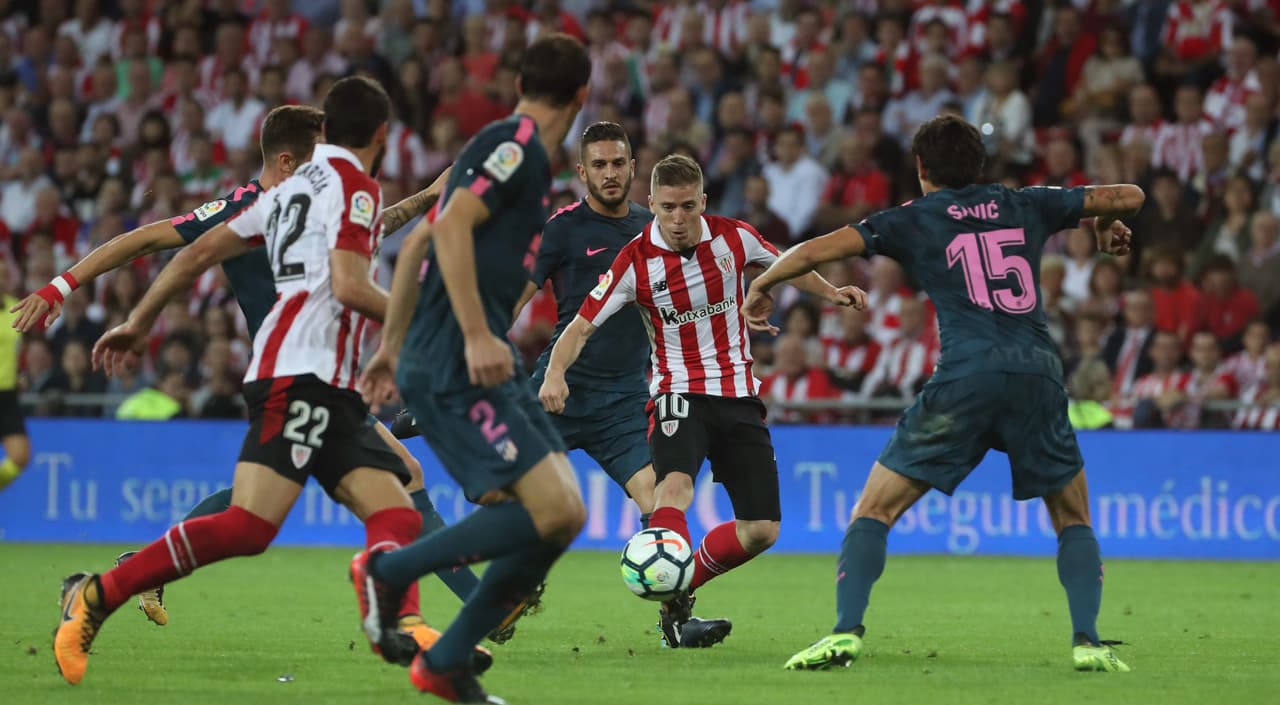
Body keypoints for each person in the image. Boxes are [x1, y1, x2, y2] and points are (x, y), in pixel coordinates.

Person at [53, 76, 485, 686]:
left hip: (313, 379)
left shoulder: (285, 193)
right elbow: (350, 285)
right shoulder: (353, 185)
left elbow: (195, 254)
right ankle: (98, 595)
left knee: (396, 500)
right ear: (382, 136)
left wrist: (137, 320)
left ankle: (406, 621)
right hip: (301, 378)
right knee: (251, 526)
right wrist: (453, 328)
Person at [742, 115, 1144, 673]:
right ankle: (1087, 642)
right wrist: (1101, 226)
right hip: (1036, 374)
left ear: (921, 168)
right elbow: (1129, 194)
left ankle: (845, 632)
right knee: (1072, 515)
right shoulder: (1024, 202)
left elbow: (814, 251)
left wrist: (762, 284)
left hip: (965, 377)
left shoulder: (914, 217)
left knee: (874, 509)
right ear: (979, 164)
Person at [537, 154, 862, 649]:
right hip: (678, 392)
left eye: (689, 206)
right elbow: (580, 325)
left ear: (703, 202)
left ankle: (681, 585)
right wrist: (555, 373)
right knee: (674, 488)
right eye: (668, 208)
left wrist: (831, 292)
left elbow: (786, 264)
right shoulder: (633, 260)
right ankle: (671, 608)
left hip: (737, 396)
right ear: (652, 205)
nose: (679, 218)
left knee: (761, 531)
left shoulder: (734, 237)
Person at [357, 34, 592, 704]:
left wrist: (389, 346)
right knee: (545, 509)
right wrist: (470, 334)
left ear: (518, 80)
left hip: (470, 358)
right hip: (463, 361)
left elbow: (421, 239)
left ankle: (447, 659)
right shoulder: (513, 148)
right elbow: (453, 226)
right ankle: (387, 569)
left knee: (565, 513)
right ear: (581, 95)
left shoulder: (514, 151)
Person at [0, 266, 28, 492]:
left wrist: (20, 374)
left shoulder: (15, 307)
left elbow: (18, 349)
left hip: (7, 394)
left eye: (3, 273)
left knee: (20, 457)